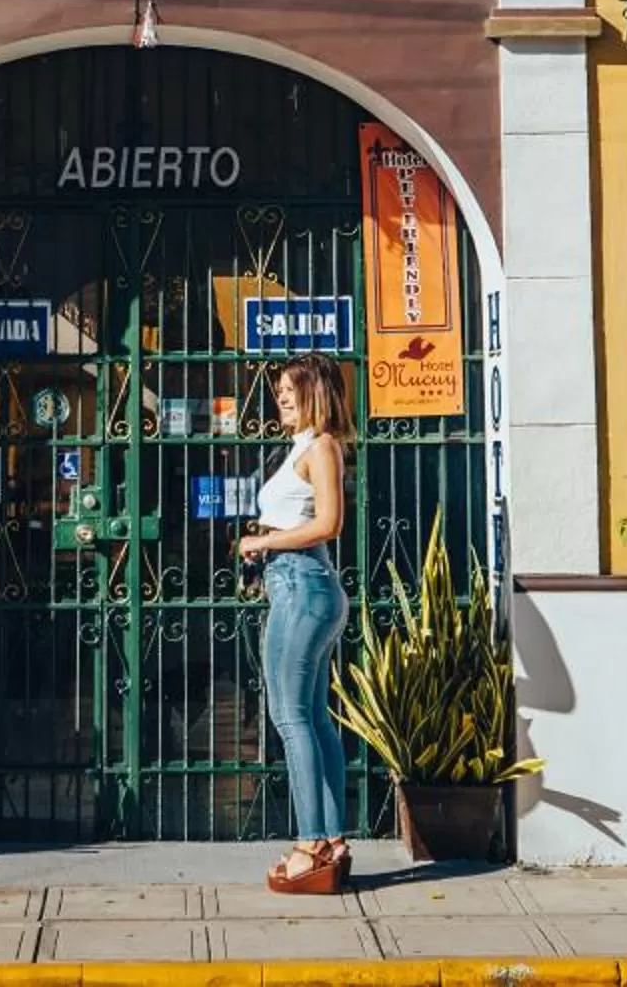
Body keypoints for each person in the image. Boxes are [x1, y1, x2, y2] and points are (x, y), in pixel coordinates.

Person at [236, 352, 352, 894]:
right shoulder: (303, 448)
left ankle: (310, 844)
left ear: (315, 393)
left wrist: (263, 540)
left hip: (303, 589)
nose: (280, 397)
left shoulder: (322, 447)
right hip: (298, 586)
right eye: (279, 390)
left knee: (290, 718)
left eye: (290, 389)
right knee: (312, 716)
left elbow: (328, 523)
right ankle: (330, 842)